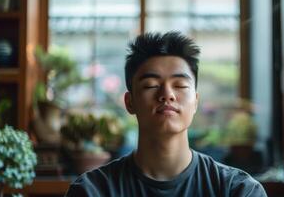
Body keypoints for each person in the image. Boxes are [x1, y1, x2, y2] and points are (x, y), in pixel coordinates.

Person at [65, 31, 267, 197]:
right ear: (130, 102)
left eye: (179, 85)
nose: (167, 94)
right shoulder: (92, 191)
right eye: (151, 85)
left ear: (195, 101)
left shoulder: (238, 190)